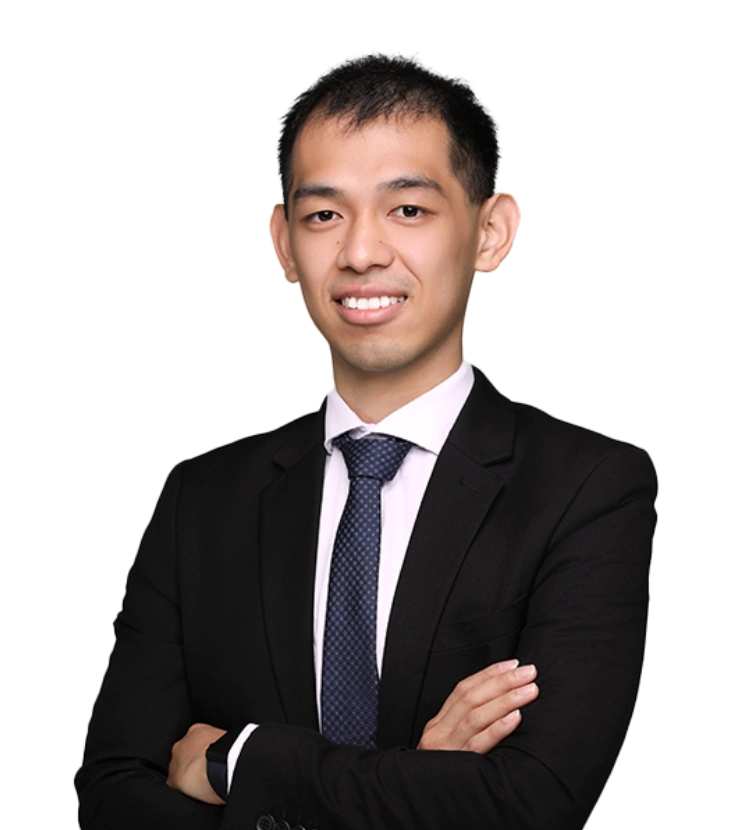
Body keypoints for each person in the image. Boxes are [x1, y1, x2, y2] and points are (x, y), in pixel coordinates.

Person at [77, 53, 655, 829]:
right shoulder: (202, 502)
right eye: (324, 216)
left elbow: (533, 800)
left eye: (408, 210)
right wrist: (416, 780)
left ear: (491, 233)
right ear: (283, 243)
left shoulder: (585, 487)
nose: (360, 253)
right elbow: (114, 794)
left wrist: (239, 762)